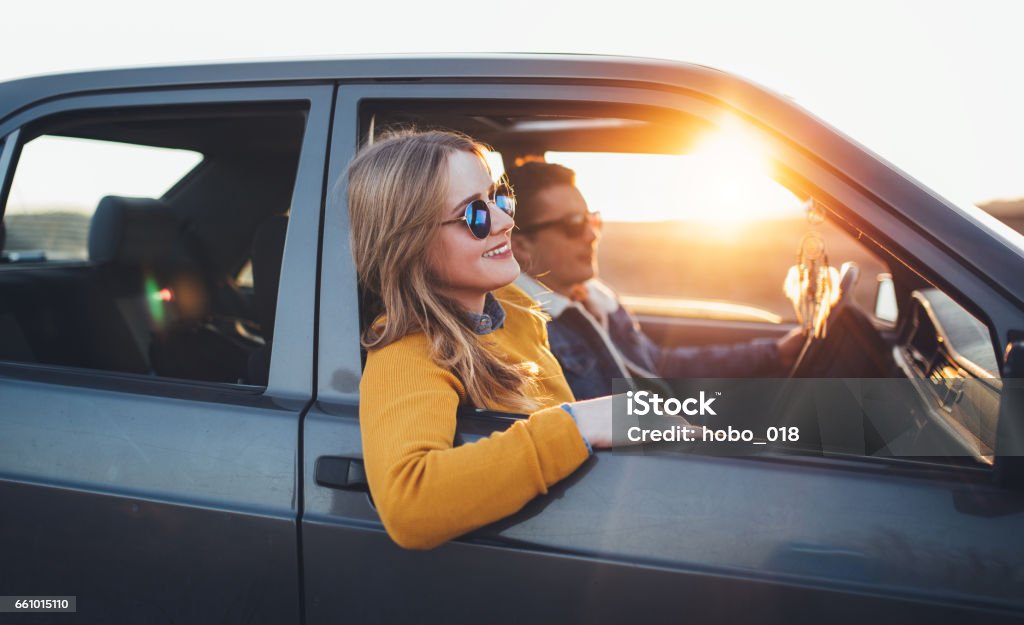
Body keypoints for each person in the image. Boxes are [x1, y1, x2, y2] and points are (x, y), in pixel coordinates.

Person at [347, 130, 614, 551]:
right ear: (412, 242)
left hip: (588, 527)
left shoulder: (515, 309)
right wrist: (580, 425)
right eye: (475, 214)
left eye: (498, 198)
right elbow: (409, 504)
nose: (506, 221)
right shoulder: (409, 351)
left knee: (745, 417)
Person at [507, 162, 804, 400]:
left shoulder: (593, 298)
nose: (591, 235)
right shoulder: (527, 329)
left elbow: (657, 364)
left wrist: (773, 354)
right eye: (572, 225)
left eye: (591, 219)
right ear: (521, 245)